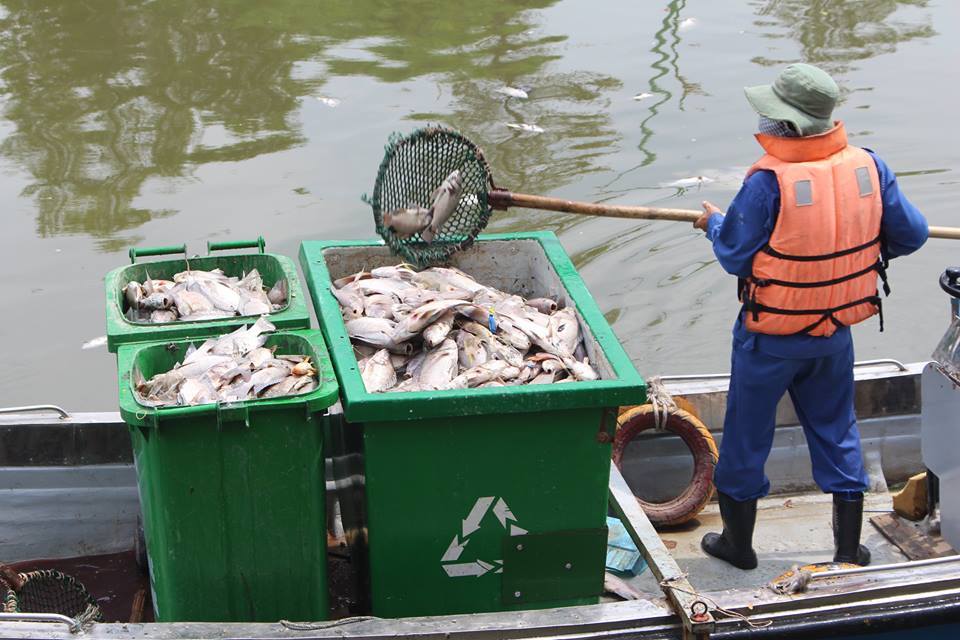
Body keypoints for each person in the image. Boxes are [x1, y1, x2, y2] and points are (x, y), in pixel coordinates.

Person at [694, 63, 928, 569]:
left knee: (745, 435)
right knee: (836, 428)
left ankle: (739, 546)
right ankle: (848, 549)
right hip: (833, 332)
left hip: (769, 338)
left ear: (787, 124)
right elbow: (912, 235)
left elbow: (735, 254)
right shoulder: (869, 166)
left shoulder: (767, 183)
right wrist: (853, 248)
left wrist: (713, 224)